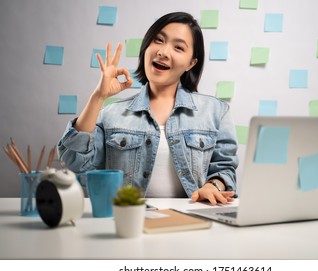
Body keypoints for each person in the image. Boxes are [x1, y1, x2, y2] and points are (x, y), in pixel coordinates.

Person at [58, 12, 238, 205]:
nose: (163, 52)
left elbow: (225, 169)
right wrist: (98, 97)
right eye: (158, 40)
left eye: (178, 47)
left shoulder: (216, 111)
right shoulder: (112, 114)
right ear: (146, 47)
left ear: (191, 63)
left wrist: (214, 186)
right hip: (129, 221)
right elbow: (75, 164)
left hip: (192, 220)